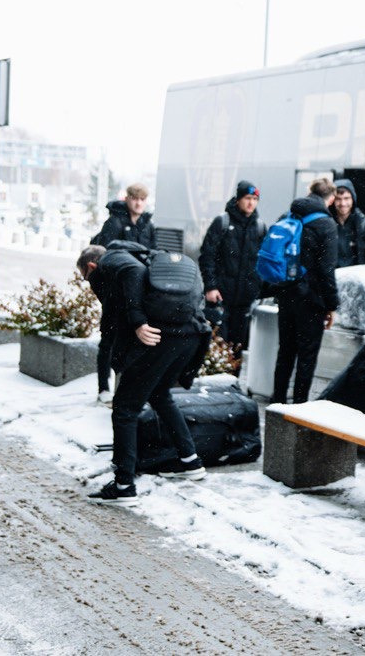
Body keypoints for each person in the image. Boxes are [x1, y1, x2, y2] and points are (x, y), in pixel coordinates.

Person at [79, 244, 210, 505]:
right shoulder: (144, 259)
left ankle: (124, 485)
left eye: (87, 277)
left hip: (160, 337)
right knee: (160, 394)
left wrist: (138, 321)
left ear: (92, 266)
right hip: (189, 334)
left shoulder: (113, 259)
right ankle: (190, 461)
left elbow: (133, 272)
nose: (91, 284)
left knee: (124, 409)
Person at [271, 179, 339, 404]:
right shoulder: (326, 224)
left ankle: (277, 401)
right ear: (331, 199)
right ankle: (299, 405)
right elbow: (326, 270)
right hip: (311, 301)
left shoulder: (288, 216)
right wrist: (332, 305)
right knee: (306, 357)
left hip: (286, 295)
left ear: (309, 192)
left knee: (285, 352)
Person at [91, 183, 157, 402]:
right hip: (115, 290)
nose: (138, 203)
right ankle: (103, 388)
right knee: (108, 340)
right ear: (127, 199)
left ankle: (124, 391)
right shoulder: (114, 221)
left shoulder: (147, 225)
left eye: (142, 199)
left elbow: (152, 254)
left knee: (131, 341)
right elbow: (104, 255)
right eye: (135, 199)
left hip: (138, 291)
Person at [198, 180, 267, 350]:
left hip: (245, 299)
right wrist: (211, 287)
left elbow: (263, 262)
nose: (251, 203)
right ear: (238, 199)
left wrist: (258, 288)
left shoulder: (259, 227)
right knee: (216, 344)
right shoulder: (222, 222)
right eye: (247, 198)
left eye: (255, 199)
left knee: (238, 347)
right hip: (221, 296)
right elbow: (207, 256)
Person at [331, 178, 365, 267]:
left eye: (346, 198)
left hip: (358, 275)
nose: (343, 203)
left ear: (353, 199)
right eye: (338, 199)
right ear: (333, 200)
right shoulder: (327, 224)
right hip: (334, 275)